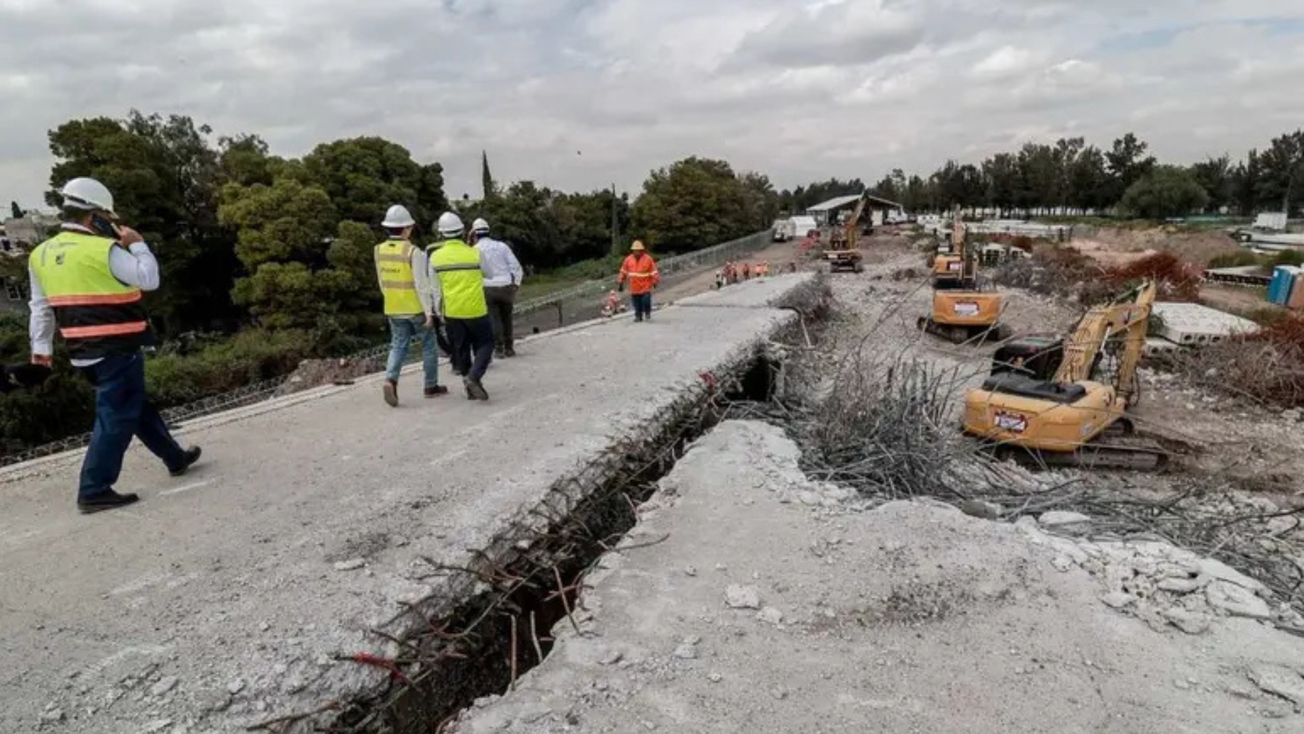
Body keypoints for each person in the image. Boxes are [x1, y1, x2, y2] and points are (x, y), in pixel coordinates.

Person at [28, 177, 202, 514]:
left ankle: (175, 457)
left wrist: (41, 354)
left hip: (81, 353)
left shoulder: (41, 254)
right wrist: (137, 244)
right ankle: (94, 489)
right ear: (94, 218)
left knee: (135, 406)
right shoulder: (101, 249)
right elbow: (148, 278)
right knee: (116, 415)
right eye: (108, 218)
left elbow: (40, 308)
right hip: (117, 348)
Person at [375, 204, 446, 407]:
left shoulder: (378, 250)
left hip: (393, 308)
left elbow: (382, 282)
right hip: (415, 308)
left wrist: (391, 300)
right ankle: (431, 386)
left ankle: (391, 379)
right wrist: (429, 312)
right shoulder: (412, 251)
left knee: (397, 346)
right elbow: (421, 284)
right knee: (429, 345)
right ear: (406, 228)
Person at [428, 212, 494, 400]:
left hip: (452, 311)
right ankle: (474, 377)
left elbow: (436, 290)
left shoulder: (435, 258)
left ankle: (468, 387)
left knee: (461, 348)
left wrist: (439, 312)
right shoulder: (474, 253)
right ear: (463, 232)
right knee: (486, 343)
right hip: (476, 309)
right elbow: (489, 273)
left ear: (441, 234)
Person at [469, 218, 524, 359]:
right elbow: (516, 267)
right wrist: (516, 284)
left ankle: (499, 349)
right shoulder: (502, 246)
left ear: (474, 233)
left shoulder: (473, 250)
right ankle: (509, 348)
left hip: (487, 288)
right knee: (507, 318)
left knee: (494, 319)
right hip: (506, 286)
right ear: (488, 231)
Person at [617, 240, 660, 323]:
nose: (636, 252)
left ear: (642, 250)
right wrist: (620, 281)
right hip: (634, 286)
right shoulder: (628, 260)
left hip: (645, 285)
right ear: (632, 250)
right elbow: (623, 271)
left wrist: (655, 281)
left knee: (646, 301)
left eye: (638, 250)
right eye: (635, 250)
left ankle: (647, 312)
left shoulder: (648, 259)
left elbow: (654, 271)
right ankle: (638, 316)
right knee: (636, 303)